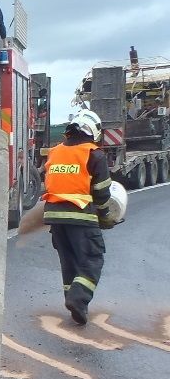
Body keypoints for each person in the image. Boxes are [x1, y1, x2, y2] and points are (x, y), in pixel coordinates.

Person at [41, 109, 116, 325]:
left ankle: (76, 305)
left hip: (55, 218)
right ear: (93, 131)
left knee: (69, 262)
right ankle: (78, 298)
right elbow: (101, 193)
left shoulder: (55, 152)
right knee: (93, 258)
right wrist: (105, 217)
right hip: (81, 215)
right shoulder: (94, 154)